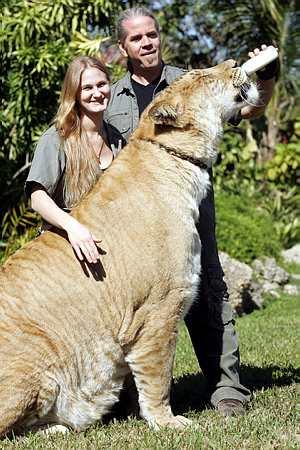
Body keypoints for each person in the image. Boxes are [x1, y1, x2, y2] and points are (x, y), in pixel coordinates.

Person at [104, 6, 279, 416]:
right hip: (137, 223)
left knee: (209, 294)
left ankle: (227, 388)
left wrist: (266, 82)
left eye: (152, 34)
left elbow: (246, 109)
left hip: (192, 207)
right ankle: (134, 395)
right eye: (136, 38)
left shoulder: (191, 80)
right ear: (123, 47)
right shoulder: (111, 100)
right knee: (137, 303)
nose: (147, 43)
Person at [26, 56, 124, 264]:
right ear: (74, 94)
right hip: (63, 251)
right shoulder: (57, 138)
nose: (97, 93)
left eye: (101, 84)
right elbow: (37, 197)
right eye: (87, 88)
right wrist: (73, 227)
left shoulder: (116, 139)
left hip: (108, 248)